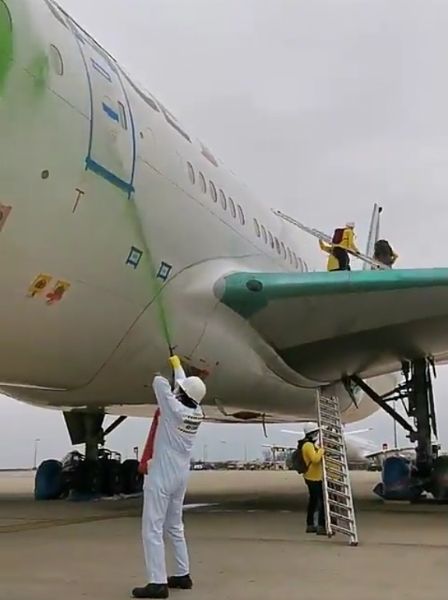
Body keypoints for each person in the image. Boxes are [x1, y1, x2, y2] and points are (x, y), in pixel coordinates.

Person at [132, 355, 207, 599]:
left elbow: (160, 385)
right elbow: (180, 388)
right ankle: (183, 574)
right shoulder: (196, 411)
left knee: (152, 528)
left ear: (182, 394)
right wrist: (177, 366)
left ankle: (157, 582)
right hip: (180, 476)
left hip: (162, 475)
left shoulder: (172, 408)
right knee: (174, 526)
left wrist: (159, 370)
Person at [301, 422, 326, 535]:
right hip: (313, 478)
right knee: (321, 502)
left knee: (313, 501)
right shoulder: (308, 445)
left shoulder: (310, 444)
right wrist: (322, 450)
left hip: (314, 477)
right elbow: (315, 459)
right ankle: (321, 526)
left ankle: (311, 524)